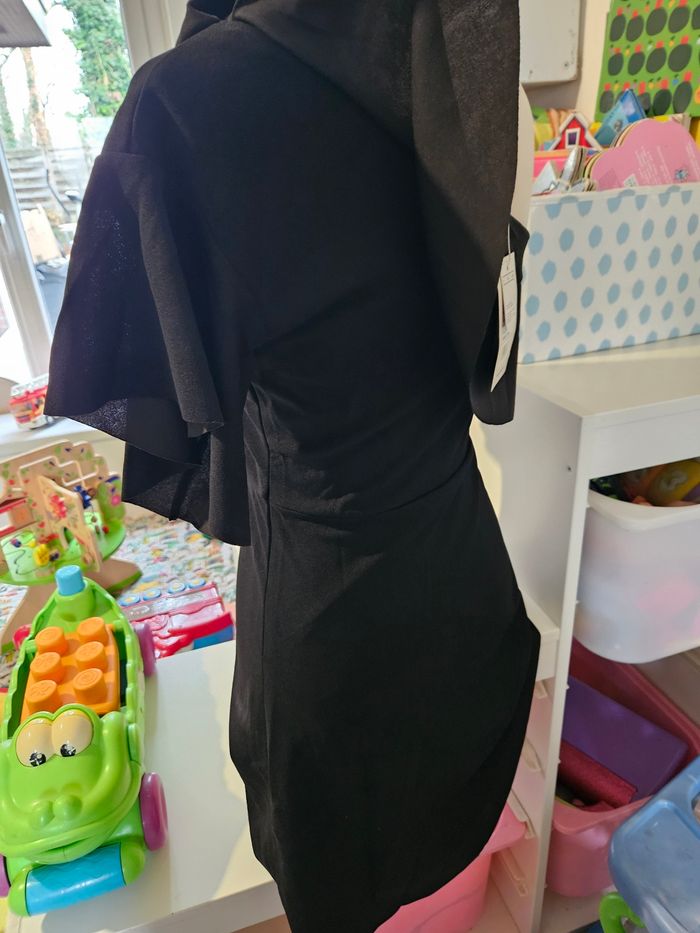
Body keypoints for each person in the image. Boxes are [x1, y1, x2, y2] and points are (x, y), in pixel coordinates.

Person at [45, 2, 540, 930]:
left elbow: (168, 408)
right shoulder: (470, 50)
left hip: (331, 654)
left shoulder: (182, 104)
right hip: (466, 597)